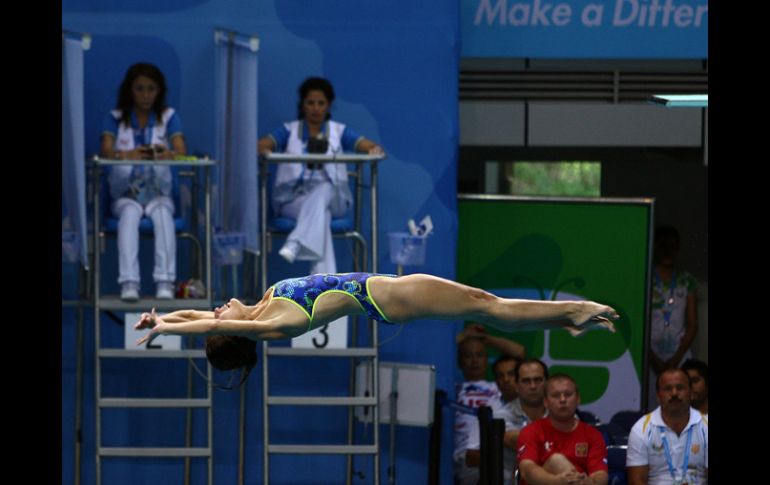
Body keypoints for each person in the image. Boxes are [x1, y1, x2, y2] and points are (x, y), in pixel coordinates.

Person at [134, 272, 618, 379]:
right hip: (391, 297)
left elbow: (195, 317)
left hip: (386, 289)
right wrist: (166, 333)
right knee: (485, 305)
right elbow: (200, 327)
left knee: (483, 304)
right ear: (236, 335)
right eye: (222, 318)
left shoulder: (260, 307)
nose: (217, 308)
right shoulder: (272, 324)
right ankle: (573, 314)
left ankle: (568, 322)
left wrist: (161, 316)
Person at [257, 77, 384, 275]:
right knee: (320, 216)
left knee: (323, 189)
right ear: (303, 105)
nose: (315, 108)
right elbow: (263, 144)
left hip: (334, 199)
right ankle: (324, 283)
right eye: (310, 103)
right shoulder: (289, 131)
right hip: (294, 201)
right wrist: (265, 150)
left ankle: (296, 241)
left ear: (329, 105)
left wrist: (373, 149)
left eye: (321, 103)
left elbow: (366, 145)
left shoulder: (338, 131)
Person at [100, 62, 187, 301]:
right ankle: (129, 282)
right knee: (128, 217)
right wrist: (128, 155)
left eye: (151, 89)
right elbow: (106, 152)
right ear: (130, 90)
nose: (146, 95)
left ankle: (165, 282)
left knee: (163, 217)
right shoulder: (115, 118)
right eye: (140, 88)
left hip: (159, 192)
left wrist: (164, 152)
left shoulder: (168, 117)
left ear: (159, 90)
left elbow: (180, 150)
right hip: (125, 195)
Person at [517, 374, 609, 485]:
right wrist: (557, 481)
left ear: (578, 399)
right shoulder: (530, 431)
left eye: (568, 394)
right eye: (556, 395)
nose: (562, 399)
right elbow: (527, 470)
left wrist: (588, 482)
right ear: (545, 402)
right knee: (556, 461)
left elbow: (600, 475)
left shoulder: (593, 435)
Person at [626, 368, 708, 485]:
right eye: (667, 389)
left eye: (680, 388)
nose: (674, 393)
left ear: (691, 393)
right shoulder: (641, 429)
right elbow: (636, 481)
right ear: (658, 396)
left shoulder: (706, 426)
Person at [648, 225, 699, 409]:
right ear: (655, 247)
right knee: (652, 402)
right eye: (663, 246)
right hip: (651, 356)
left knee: (680, 403)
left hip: (679, 354)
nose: (668, 251)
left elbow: (693, 324)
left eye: (672, 246)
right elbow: (641, 323)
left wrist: (677, 358)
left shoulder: (687, 281)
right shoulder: (646, 279)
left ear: (678, 249)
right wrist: (652, 358)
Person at [494, 358, 550, 484]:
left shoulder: (561, 414)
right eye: (526, 381)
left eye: (538, 380)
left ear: (547, 383)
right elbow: (518, 441)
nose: (533, 386)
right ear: (517, 385)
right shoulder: (502, 415)